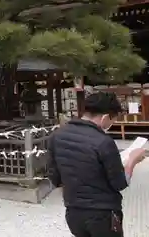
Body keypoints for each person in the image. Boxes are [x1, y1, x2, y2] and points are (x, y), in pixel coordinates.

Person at [48, 92, 146, 237]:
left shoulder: (57, 136)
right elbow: (120, 183)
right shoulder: (103, 142)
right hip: (103, 214)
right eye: (113, 119)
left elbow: (55, 178)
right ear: (105, 117)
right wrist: (132, 160)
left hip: (73, 213)